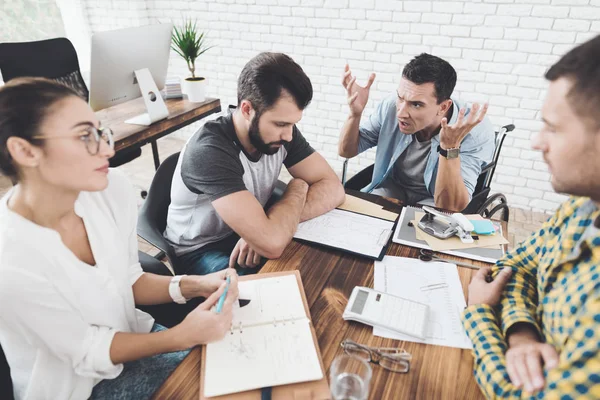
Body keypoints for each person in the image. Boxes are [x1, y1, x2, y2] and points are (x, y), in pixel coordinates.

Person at [0, 78, 239, 400]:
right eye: (85, 136)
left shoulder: (111, 189)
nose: (108, 149)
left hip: (135, 338)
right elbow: (86, 351)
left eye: (100, 132)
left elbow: (128, 279)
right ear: (25, 151)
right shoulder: (10, 258)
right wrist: (181, 336)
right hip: (75, 387)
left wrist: (194, 284)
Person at [463, 34, 600, 399]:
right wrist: (522, 333)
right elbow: (517, 267)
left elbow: (523, 395)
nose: (537, 142)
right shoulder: (581, 205)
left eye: (553, 128)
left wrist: (479, 313)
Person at [165, 52, 345, 276]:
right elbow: (272, 243)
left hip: (248, 229)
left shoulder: (282, 133)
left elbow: (333, 187)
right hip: (200, 250)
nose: (289, 135)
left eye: (293, 124)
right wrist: (298, 188)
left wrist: (270, 225)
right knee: (271, 292)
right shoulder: (210, 151)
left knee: (318, 266)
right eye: (280, 123)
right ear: (247, 109)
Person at [338, 53, 495, 211]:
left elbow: (450, 207)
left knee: (422, 230)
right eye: (400, 97)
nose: (401, 113)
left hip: (434, 200)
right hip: (393, 188)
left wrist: (450, 147)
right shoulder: (391, 106)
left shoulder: (474, 131)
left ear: (443, 107)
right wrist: (355, 115)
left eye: (416, 105)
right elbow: (346, 151)